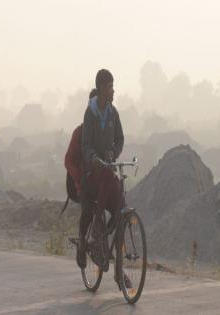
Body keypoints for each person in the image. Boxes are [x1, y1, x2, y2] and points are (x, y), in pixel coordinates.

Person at [78, 69, 124, 270]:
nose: (113, 91)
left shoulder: (113, 113)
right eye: (110, 87)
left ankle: (102, 239)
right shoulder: (90, 114)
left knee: (121, 208)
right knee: (105, 175)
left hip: (106, 172)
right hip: (92, 175)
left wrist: (114, 151)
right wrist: (94, 158)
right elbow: (85, 145)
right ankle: (93, 232)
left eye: (113, 86)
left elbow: (120, 139)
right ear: (101, 89)